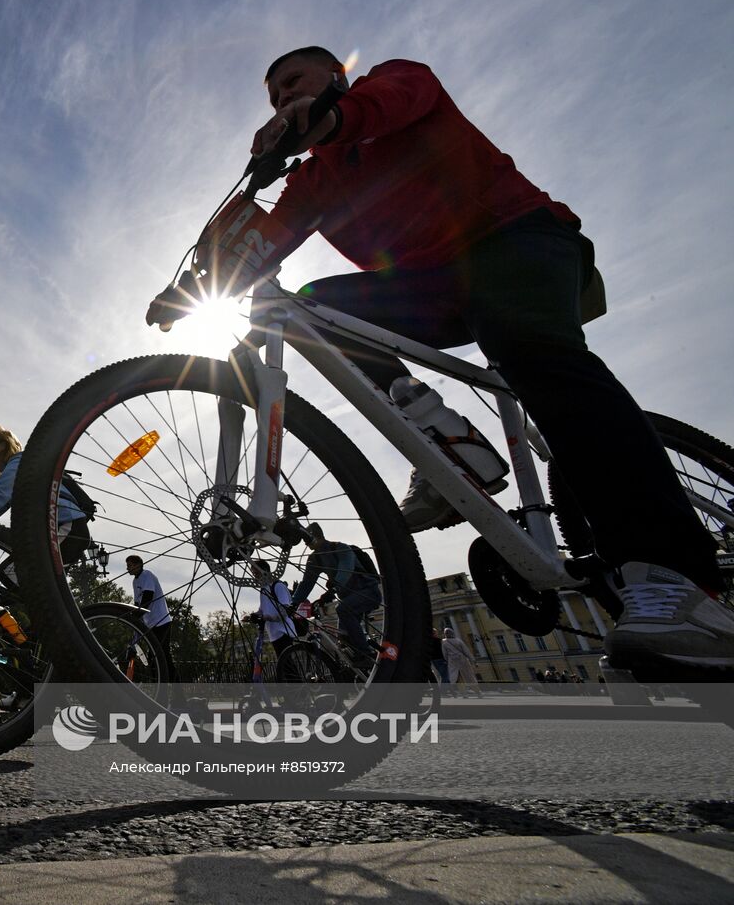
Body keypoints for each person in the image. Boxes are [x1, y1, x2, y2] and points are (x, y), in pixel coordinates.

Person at [147, 45, 732, 672]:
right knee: (308, 308)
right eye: (273, 97)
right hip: (430, 286)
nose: (284, 99)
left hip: (513, 240)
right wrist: (192, 291)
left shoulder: (392, 86)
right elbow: (268, 243)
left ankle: (677, 580)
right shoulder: (315, 177)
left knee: (536, 354)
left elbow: (383, 104)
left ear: (335, 78)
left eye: (295, 83)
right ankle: (441, 431)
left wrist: (330, 115)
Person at [0, 424, 89, 565]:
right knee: (13, 575)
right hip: (60, 527)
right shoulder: (19, 465)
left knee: (12, 573)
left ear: (3, 445)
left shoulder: (19, 464)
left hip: (65, 525)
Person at [290, 523, 381, 666]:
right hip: (349, 599)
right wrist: (293, 603)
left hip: (368, 592)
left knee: (342, 609)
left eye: (309, 539)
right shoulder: (315, 559)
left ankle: (367, 653)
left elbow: (346, 569)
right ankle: (361, 672)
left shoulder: (340, 548)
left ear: (318, 536)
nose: (307, 544)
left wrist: (332, 590)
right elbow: (306, 583)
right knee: (343, 639)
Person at [126, 555, 178, 684]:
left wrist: (135, 617)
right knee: (155, 657)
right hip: (151, 624)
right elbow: (138, 605)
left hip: (162, 621)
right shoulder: (135, 581)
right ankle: (160, 687)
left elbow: (148, 598)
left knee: (162, 656)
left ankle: (174, 690)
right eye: (127, 566)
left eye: (130, 565)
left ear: (139, 564)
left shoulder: (147, 575)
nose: (128, 568)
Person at [441, 628, 481, 697]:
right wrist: (473, 660)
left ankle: (464, 693)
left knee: (459, 679)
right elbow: (466, 651)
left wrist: (447, 661)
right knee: (469, 677)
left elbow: (445, 654)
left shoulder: (444, 642)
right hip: (462, 660)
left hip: (452, 661)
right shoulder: (458, 641)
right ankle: (478, 692)